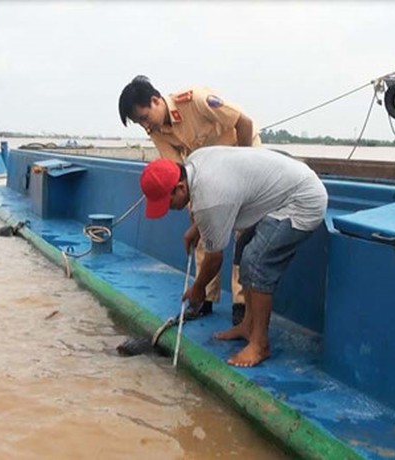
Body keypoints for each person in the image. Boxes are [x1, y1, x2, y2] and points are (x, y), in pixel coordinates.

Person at [138, 146, 328, 367]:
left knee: (255, 262)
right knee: (243, 248)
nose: (169, 209)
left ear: (180, 188)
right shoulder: (194, 163)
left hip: (302, 201)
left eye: (167, 202)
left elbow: (214, 258)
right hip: (281, 193)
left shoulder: (210, 197)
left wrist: (198, 289)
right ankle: (248, 324)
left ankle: (260, 344)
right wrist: (197, 228)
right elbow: (215, 204)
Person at [119, 75, 261, 325]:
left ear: (155, 101)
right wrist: (195, 211)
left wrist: (245, 168)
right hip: (206, 175)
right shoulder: (157, 131)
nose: (144, 125)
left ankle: (241, 303)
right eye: (138, 122)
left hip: (242, 159)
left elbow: (244, 123)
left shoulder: (195, 100)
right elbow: (177, 172)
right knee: (201, 225)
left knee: (244, 232)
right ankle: (204, 297)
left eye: (143, 117)